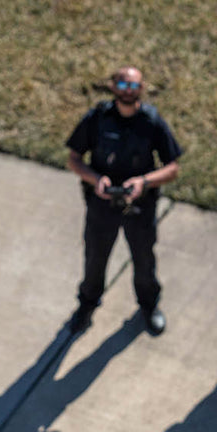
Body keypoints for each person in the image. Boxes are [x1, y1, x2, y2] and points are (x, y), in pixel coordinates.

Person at [64, 66, 183, 335]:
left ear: (141, 89)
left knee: (143, 259)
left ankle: (149, 306)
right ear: (113, 86)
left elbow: (172, 168)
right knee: (95, 257)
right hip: (101, 204)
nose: (128, 91)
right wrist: (97, 180)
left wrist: (144, 182)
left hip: (140, 206)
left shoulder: (151, 121)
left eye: (134, 86)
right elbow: (74, 159)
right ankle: (86, 305)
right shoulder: (97, 118)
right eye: (123, 85)